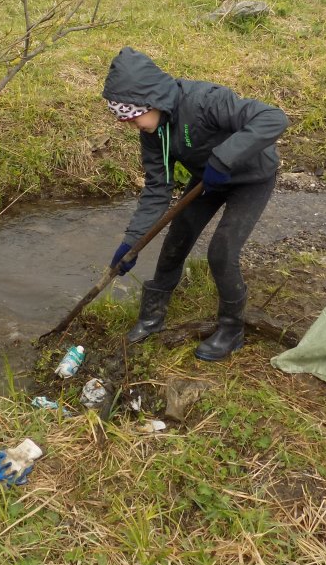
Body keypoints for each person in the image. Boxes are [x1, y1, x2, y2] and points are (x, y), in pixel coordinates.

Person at [103, 47, 289, 361]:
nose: (133, 126)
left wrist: (225, 158)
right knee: (177, 239)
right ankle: (152, 317)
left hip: (251, 177)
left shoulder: (205, 100)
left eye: (134, 118)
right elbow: (157, 189)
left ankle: (231, 329)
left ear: (152, 101)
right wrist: (132, 243)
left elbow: (273, 118)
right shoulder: (154, 132)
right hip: (208, 180)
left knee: (222, 250)